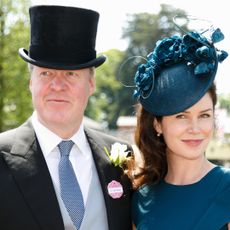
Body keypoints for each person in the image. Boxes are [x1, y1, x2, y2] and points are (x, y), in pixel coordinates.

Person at [0, 5, 132, 230]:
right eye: (46, 73)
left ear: (91, 84)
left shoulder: (125, 158)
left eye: (71, 74)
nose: (58, 86)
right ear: (31, 82)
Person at [127, 25, 230, 229]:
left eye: (204, 115)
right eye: (181, 116)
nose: (195, 128)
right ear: (158, 124)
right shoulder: (141, 200)